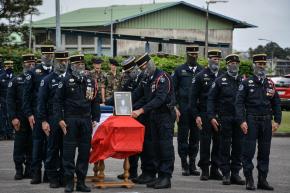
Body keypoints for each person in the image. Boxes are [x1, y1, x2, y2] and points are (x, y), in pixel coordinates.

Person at [54, 54, 100, 193]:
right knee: (68, 153)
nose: (81, 66)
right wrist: (60, 119)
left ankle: (81, 182)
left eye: (83, 64)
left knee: (84, 153)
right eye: (78, 64)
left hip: (86, 120)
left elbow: (95, 101)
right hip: (70, 120)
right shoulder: (65, 81)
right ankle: (69, 183)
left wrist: (95, 118)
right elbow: (57, 102)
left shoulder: (90, 81)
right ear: (72, 66)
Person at [235, 54, 281, 191]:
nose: (261, 66)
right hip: (251, 120)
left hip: (266, 121)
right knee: (248, 152)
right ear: (253, 65)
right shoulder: (246, 83)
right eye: (259, 64)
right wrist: (242, 120)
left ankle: (262, 180)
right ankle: (249, 179)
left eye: (263, 64)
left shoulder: (270, 83)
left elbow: (276, 103)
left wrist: (277, 120)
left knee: (264, 152)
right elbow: (238, 103)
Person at [132, 53, 176, 189]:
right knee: (155, 148)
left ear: (150, 63)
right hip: (153, 116)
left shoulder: (162, 78)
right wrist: (123, 104)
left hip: (164, 116)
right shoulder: (147, 79)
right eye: (141, 68)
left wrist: (141, 111)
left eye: (145, 66)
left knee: (165, 147)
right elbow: (140, 96)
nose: (143, 69)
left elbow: (159, 99)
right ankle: (158, 175)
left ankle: (166, 177)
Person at [207, 54, 245, 185]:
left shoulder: (242, 81)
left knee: (238, 147)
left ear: (238, 65)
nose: (234, 65)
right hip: (225, 118)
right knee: (224, 147)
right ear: (227, 65)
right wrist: (211, 116)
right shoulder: (220, 80)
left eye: (236, 63)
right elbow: (211, 100)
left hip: (239, 119)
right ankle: (226, 174)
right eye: (231, 63)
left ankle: (235, 173)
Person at [190, 49, 224, 181]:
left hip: (219, 114)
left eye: (218, 59)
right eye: (214, 59)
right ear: (209, 59)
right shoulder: (200, 76)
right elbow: (192, 99)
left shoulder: (223, 75)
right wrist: (196, 116)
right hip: (204, 113)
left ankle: (215, 169)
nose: (216, 61)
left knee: (219, 142)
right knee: (205, 142)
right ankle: (205, 169)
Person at [23, 45, 54, 184]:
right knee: (37, 144)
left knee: (51, 145)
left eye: (50, 55)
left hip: (52, 114)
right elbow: (26, 96)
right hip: (37, 114)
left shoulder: (56, 71)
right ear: (41, 56)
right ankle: (36, 173)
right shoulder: (34, 72)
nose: (48, 57)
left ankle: (49, 173)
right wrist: (29, 114)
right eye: (46, 55)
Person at [38, 51, 69, 188]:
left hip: (67, 119)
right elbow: (41, 102)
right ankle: (52, 177)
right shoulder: (47, 80)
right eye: (60, 61)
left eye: (65, 61)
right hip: (52, 119)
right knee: (52, 149)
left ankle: (64, 176)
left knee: (66, 149)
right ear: (55, 63)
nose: (63, 63)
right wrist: (44, 121)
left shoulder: (70, 78)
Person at [172, 45, 203, 176]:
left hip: (197, 110)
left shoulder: (202, 70)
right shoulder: (179, 70)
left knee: (195, 138)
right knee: (183, 138)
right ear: (187, 55)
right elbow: (172, 91)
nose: (193, 57)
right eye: (191, 55)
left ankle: (192, 164)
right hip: (183, 109)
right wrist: (175, 107)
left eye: (195, 55)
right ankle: (184, 164)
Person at [7, 54, 35, 180]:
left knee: (31, 144)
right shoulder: (16, 80)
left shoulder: (36, 80)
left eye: (33, 63)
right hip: (20, 117)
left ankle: (29, 169)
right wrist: (13, 117)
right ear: (23, 64)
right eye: (28, 63)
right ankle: (19, 169)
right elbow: (10, 101)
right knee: (19, 144)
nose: (31, 65)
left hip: (33, 117)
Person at [0, 60, 15, 140]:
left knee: (11, 116)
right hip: (2, 99)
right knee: (2, 117)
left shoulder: (15, 77)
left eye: (11, 66)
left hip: (11, 101)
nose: (9, 67)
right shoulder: (1, 77)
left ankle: (10, 133)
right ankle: (2, 133)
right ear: (5, 66)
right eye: (8, 66)